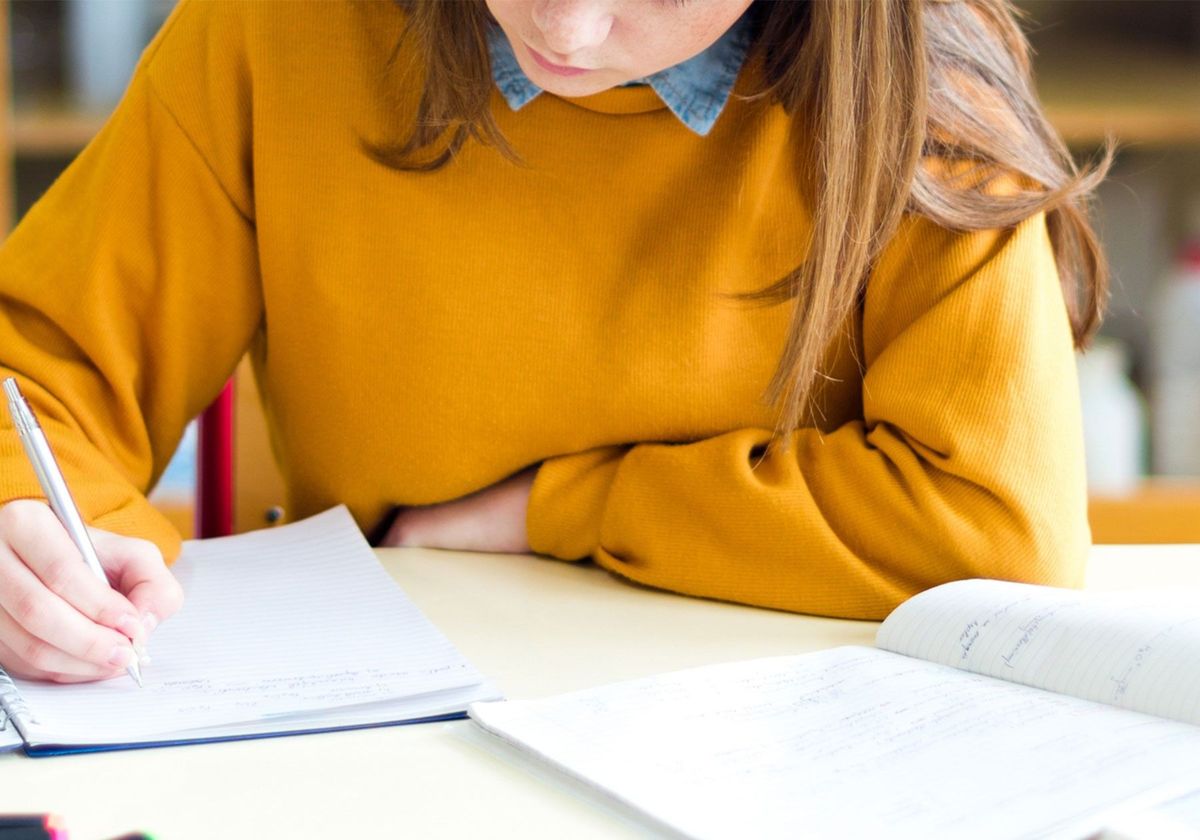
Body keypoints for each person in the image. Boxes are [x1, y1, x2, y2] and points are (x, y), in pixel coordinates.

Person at [0, 0, 1108, 683]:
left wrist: (551, 512)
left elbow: (995, 531)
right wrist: (21, 526)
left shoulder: (922, 97)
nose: (563, 30)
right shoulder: (278, 28)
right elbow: (37, 375)